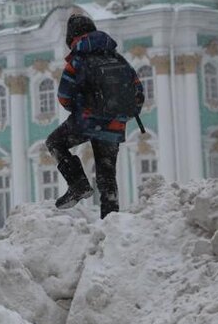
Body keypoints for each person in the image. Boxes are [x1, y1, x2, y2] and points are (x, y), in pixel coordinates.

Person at [46, 14, 144, 218]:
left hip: (87, 121)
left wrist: (82, 110)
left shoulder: (78, 59)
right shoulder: (117, 57)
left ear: (71, 37)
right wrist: (118, 114)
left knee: (55, 142)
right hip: (116, 124)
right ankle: (111, 221)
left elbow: (64, 96)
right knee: (107, 174)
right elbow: (138, 91)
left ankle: (78, 183)